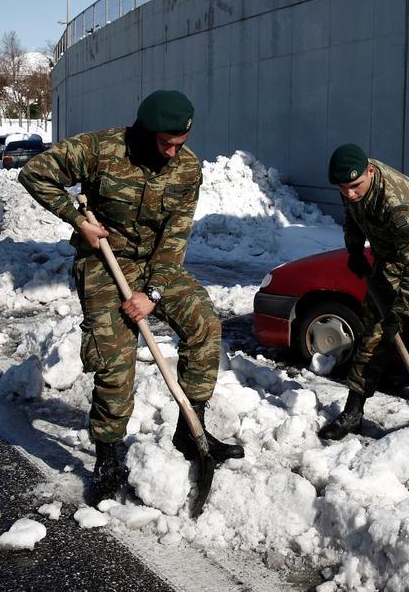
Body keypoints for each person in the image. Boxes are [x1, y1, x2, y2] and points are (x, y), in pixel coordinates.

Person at [18, 90, 242, 503]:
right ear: (145, 131)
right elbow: (34, 173)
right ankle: (107, 453)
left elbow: (175, 238)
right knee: (114, 355)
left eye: (181, 143)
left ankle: (191, 429)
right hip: (104, 261)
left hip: (158, 264)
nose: (174, 153)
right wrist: (76, 220)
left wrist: (152, 293)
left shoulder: (187, 170)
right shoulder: (99, 149)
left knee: (204, 323)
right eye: (166, 144)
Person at [318, 144, 409, 440]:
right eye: (343, 189)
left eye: (355, 187)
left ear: (370, 171)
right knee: (372, 335)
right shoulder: (351, 185)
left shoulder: (398, 204)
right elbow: (353, 217)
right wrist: (354, 249)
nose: (350, 194)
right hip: (392, 258)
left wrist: (401, 312)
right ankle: (353, 411)